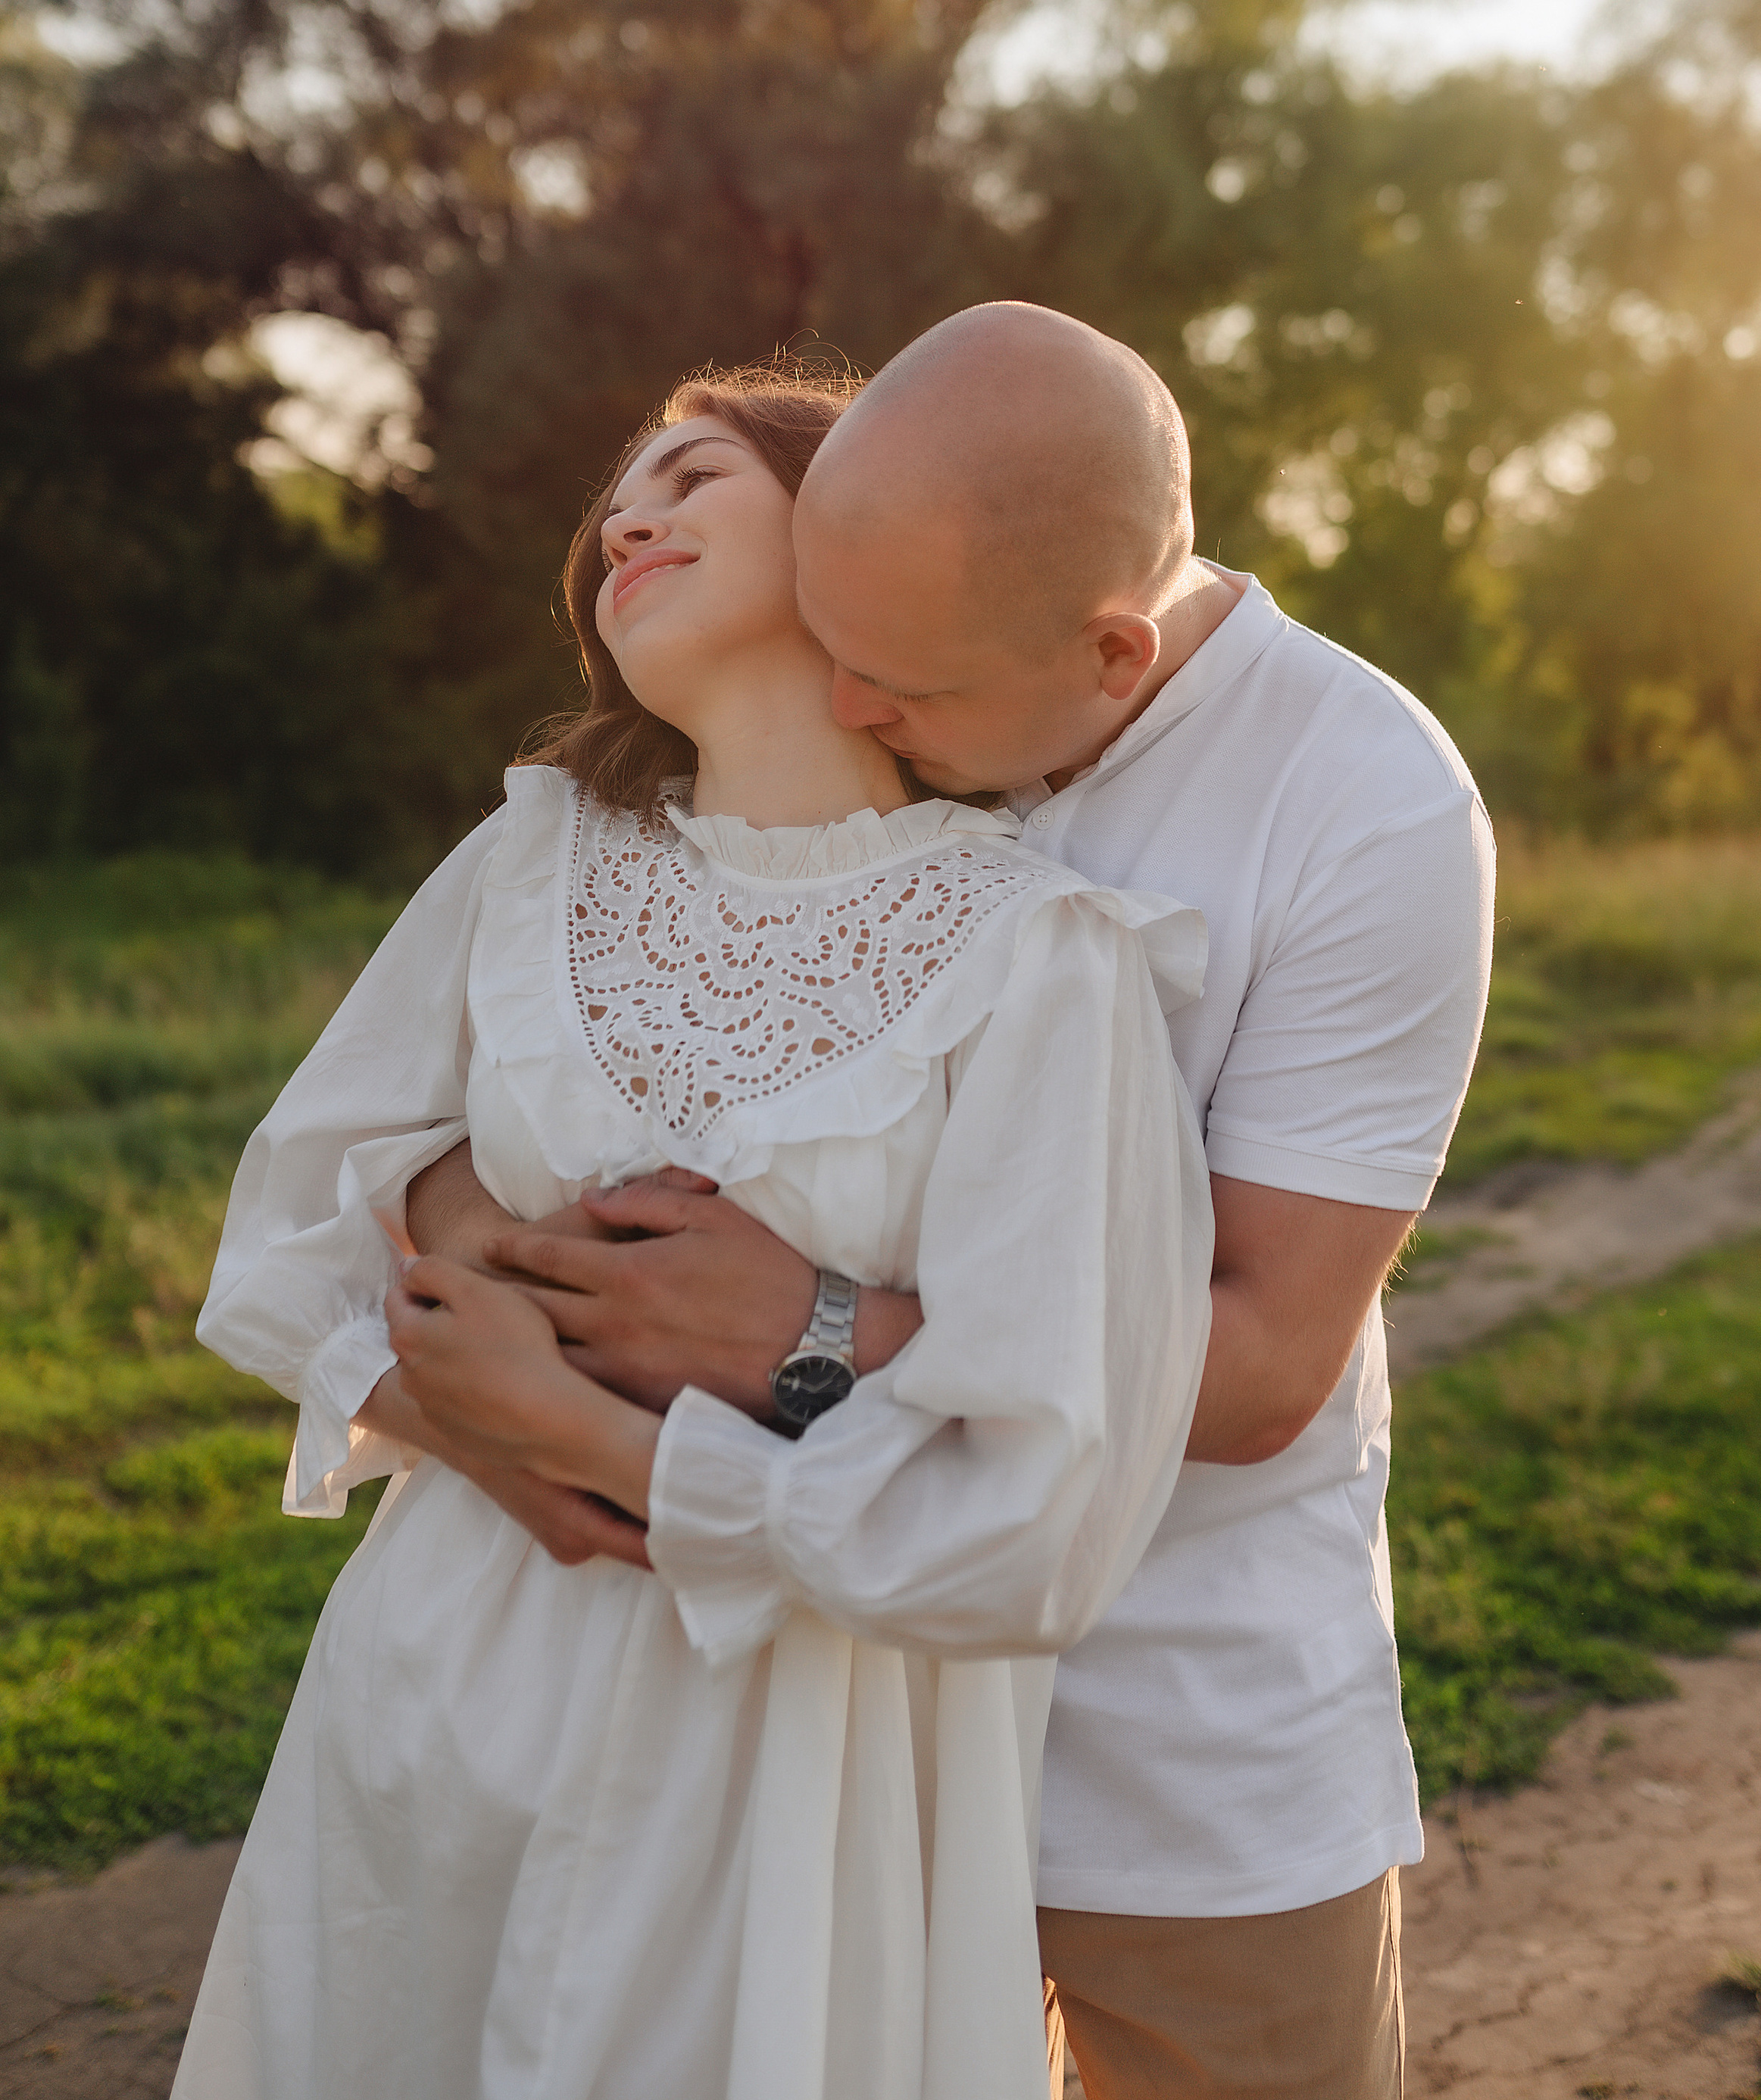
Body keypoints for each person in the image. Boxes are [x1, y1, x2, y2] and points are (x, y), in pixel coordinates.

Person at [411, 305, 1494, 2100]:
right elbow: (544, 1084)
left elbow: (1258, 1364)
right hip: (805, 1729)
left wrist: (803, 1331)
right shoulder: (890, 648)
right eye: (830, 645)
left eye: (894, 686)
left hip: (1169, 1741)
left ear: (1110, 649)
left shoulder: (1363, 809)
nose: (845, 708)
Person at [175, 364, 1216, 2100]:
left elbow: (1040, 1507)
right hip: (436, 1692)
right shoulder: (531, 860)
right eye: (617, 499)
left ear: (858, 528)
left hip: (789, 1762)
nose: (625, 516)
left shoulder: (1045, 955)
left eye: (694, 471)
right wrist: (475, 1419)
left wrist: (604, 1443)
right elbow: (289, 1221)